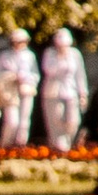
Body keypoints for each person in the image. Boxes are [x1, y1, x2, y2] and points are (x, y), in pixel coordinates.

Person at [0, 28, 40, 151]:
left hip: (25, 91)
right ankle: (6, 144)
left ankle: (20, 145)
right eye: (16, 41)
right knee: (12, 121)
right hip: (9, 93)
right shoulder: (5, 56)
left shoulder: (30, 56)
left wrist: (24, 78)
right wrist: (9, 76)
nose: (19, 44)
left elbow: (35, 75)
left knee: (24, 121)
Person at [38, 27, 89, 155]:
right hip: (53, 92)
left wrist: (83, 93)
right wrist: (60, 58)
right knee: (56, 119)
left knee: (73, 120)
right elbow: (49, 70)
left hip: (71, 91)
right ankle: (58, 148)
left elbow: (80, 74)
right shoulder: (50, 53)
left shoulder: (75, 54)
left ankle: (67, 144)